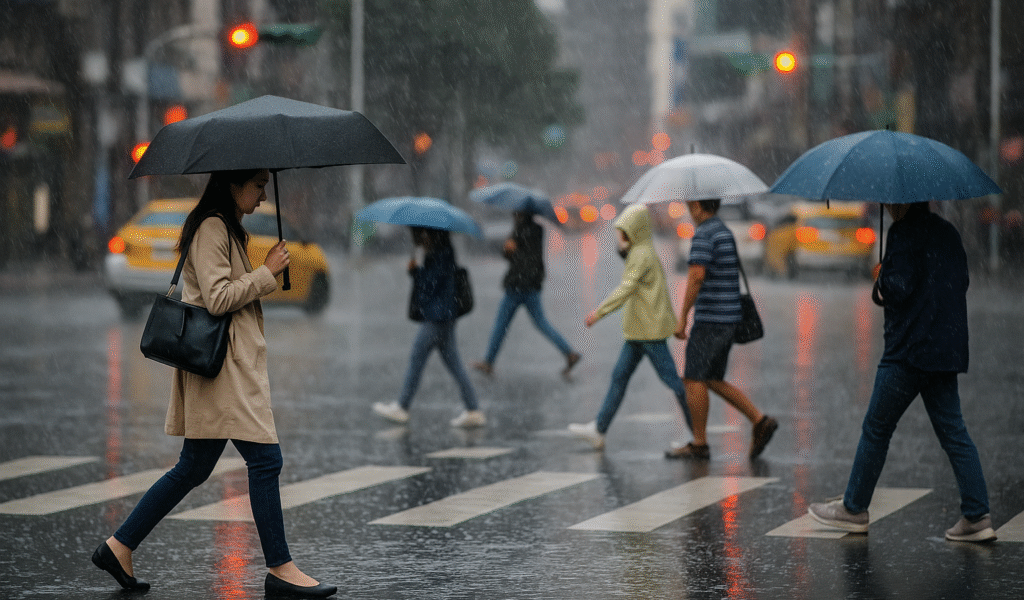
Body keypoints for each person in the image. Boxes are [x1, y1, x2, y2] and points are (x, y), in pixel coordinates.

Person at [91, 169, 337, 598]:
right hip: (224, 369)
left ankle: (119, 545)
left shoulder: (228, 228)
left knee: (192, 468)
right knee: (265, 462)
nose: (263, 196)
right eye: (258, 185)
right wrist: (266, 273)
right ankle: (280, 569)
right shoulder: (211, 228)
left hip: (223, 368)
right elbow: (218, 297)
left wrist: (265, 271)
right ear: (233, 183)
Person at [809, 202, 995, 542]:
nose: (886, 206)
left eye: (889, 201)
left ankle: (853, 508)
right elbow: (961, 281)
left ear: (902, 202)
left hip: (907, 351)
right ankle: (977, 514)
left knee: (876, 429)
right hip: (944, 349)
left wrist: (883, 274)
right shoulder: (948, 232)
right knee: (954, 432)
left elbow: (897, 288)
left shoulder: (903, 232)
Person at [567, 204, 692, 450]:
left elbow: (626, 289)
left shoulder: (641, 255)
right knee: (619, 377)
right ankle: (599, 429)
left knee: (674, 383)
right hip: (639, 331)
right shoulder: (640, 251)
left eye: (623, 232)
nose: (620, 237)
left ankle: (697, 433)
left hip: (649, 332)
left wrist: (598, 313)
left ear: (634, 231)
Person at [669, 198, 777, 460]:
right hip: (728, 318)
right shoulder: (723, 231)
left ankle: (699, 443)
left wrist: (682, 316)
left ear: (697, 205)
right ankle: (759, 420)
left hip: (711, 320)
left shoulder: (704, 234)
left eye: (689, 204)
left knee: (693, 378)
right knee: (711, 378)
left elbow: (696, 277)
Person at [373, 226, 485, 428]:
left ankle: (403, 406)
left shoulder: (440, 255)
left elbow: (430, 285)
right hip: (444, 317)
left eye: (421, 234)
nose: (419, 239)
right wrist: (419, 269)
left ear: (430, 234)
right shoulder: (441, 252)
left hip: (437, 318)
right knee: (454, 365)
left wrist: (416, 272)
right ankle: (473, 409)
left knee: (417, 359)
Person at [473, 210, 581, 377]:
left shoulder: (521, 230)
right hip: (530, 285)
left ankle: (488, 362)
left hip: (517, 286)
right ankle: (569, 353)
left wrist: (510, 249)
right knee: (541, 324)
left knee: (501, 325)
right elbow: (527, 256)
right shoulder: (536, 229)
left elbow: (518, 257)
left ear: (520, 213)